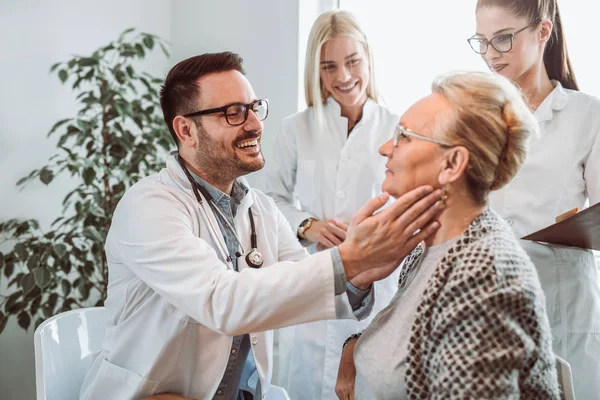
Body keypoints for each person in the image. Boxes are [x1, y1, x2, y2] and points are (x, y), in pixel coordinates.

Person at [78, 52, 445, 400]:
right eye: (233, 113)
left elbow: (306, 285)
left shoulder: (260, 210)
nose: (255, 124)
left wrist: (363, 272)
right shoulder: (150, 206)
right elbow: (222, 302)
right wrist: (349, 258)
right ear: (186, 131)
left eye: (254, 108)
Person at [335, 71, 560, 399]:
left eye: (404, 137)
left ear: (452, 163)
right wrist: (354, 346)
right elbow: (411, 334)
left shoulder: (486, 272)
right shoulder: (428, 246)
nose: (385, 148)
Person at [264, 11, 401, 399]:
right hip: (314, 282)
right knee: (307, 383)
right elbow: (271, 200)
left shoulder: (397, 127)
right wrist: (307, 224)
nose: (343, 76)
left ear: (369, 59)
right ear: (317, 71)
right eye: (329, 66)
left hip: (377, 284)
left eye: (353, 61)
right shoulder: (296, 129)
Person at [467, 1, 600, 397]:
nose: (491, 54)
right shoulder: (477, 119)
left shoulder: (586, 115)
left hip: (565, 310)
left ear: (543, 33)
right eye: (482, 42)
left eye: (503, 39)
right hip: (490, 309)